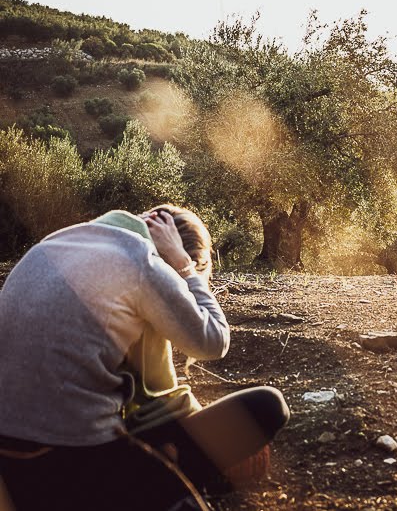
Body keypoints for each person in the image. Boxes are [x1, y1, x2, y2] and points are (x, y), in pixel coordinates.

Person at [0, 206, 290, 510]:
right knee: (267, 405)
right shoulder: (140, 258)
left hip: (9, 466)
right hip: (70, 462)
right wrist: (188, 270)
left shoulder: (53, 244)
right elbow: (214, 341)